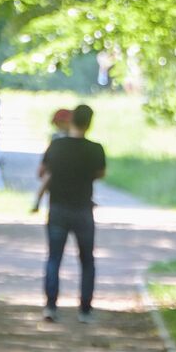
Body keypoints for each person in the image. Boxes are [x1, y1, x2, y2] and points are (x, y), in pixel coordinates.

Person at [38, 103, 106, 324]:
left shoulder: (56, 146)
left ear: (72, 119)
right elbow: (101, 173)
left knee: (54, 258)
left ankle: (50, 307)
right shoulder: (96, 149)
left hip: (57, 208)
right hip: (83, 210)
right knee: (87, 260)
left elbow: (42, 171)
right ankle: (85, 310)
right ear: (89, 124)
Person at [31, 109, 72, 213]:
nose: (58, 126)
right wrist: (43, 166)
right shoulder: (56, 136)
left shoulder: (72, 135)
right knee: (48, 176)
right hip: (56, 165)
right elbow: (48, 153)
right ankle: (37, 201)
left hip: (69, 165)